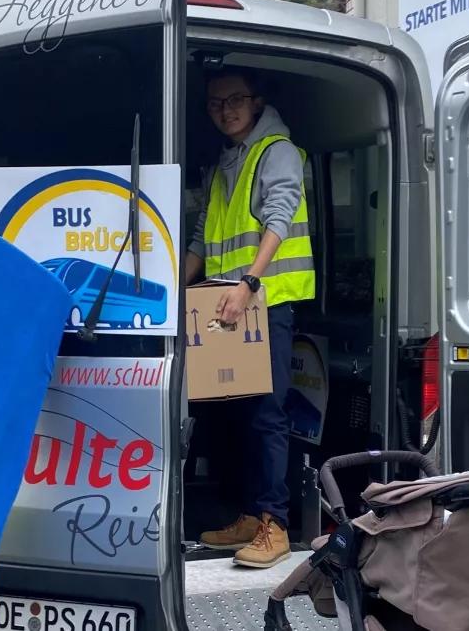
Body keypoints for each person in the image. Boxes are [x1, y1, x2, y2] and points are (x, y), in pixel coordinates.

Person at [185, 67, 316, 569]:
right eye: (216, 103)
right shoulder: (226, 161)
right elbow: (203, 234)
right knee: (232, 414)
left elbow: (279, 216)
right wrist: (181, 287)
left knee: (267, 416)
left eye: (235, 99)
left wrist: (249, 283)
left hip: (265, 303)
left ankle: (275, 523)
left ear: (256, 101)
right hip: (225, 305)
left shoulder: (275, 150)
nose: (226, 109)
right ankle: (248, 514)